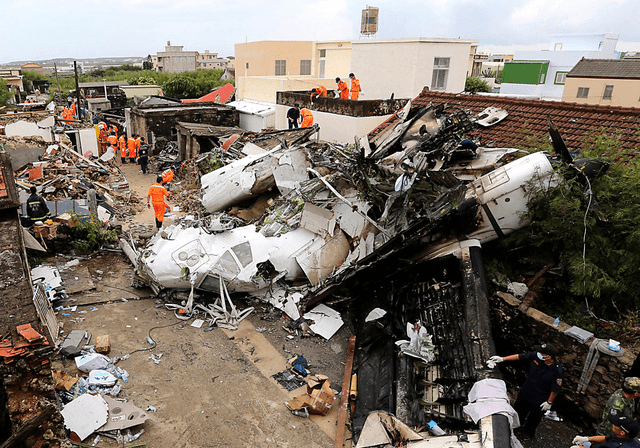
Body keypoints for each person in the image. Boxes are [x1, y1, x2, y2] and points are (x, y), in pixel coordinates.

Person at [487, 343, 564, 439]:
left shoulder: (557, 371)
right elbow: (520, 356)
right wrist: (503, 359)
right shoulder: (537, 356)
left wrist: (549, 402)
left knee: (534, 417)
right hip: (527, 389)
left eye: (541, 353)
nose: (538, 353)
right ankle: (517, 425)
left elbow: (555, 389)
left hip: (540, 396)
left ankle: (528, 433)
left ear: (548, 357)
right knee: (519, 409)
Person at [573, 415, 640, 448]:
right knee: (586, 443)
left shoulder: (613, 446)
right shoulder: (631, 439)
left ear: (622, 432)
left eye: (616, 424)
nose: (613, 425)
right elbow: (606, 438)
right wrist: (587, 439)